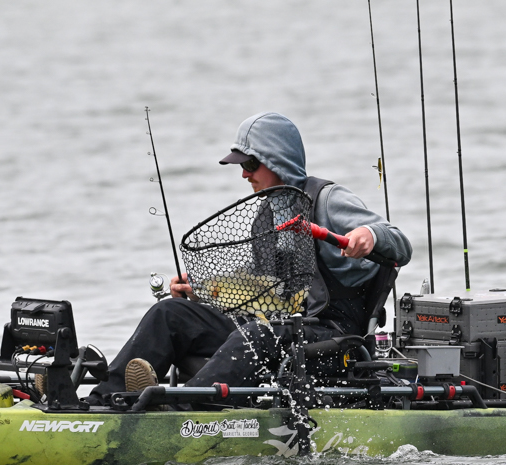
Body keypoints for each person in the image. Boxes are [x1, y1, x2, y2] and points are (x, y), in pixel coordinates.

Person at [89, 112, 412, 400]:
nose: (244, 175)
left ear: (277, 160)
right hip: (280, 327)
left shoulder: (328, 199)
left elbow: (400, 243)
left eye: (250, 165)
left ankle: (179, 407)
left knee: (259, 332)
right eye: (241, 166)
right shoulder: (265, 215)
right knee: (170, 313)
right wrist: (203, 292)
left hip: (333, 338)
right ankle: (105, 400)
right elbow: (262, 290)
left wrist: (369, 235)